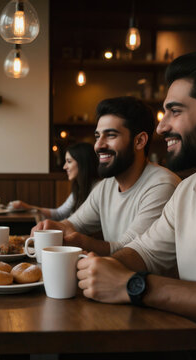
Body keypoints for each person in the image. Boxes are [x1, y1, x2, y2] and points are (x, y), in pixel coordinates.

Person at [77, 49, 196, 359]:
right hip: (183, 345)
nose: (161, 127)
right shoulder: (187, 190)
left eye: (174, 111)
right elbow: (145, 252)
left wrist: (136, 286)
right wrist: (101, 267)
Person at [33, 96, 180, 256]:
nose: (98, 145)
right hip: (115, 278)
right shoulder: (106, 185)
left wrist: (82, 242)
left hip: (148, 280)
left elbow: (131, 251)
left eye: (110, 135)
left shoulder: (162, 185)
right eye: (97, 136)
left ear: (139, 141)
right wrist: (52, 228)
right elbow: (74, 224)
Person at [11, 142, 99, 220]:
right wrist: (26, 207)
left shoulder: (97, 189)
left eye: (69, 161)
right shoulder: (79, 188)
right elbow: (58, 213)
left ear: (83, 163)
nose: (64, 167)